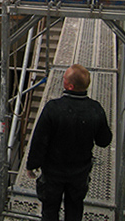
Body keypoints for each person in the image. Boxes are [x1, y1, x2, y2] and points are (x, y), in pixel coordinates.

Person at [26, 64, 112, 221]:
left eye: (64, 78)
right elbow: (104, 141)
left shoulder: (53, 109)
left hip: (53, 173)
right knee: (75, 209)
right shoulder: (95, 109)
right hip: (79, 173)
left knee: (50, 210)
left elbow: (39, 141)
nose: (62, 79)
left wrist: (32, 165)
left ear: (70, 86)